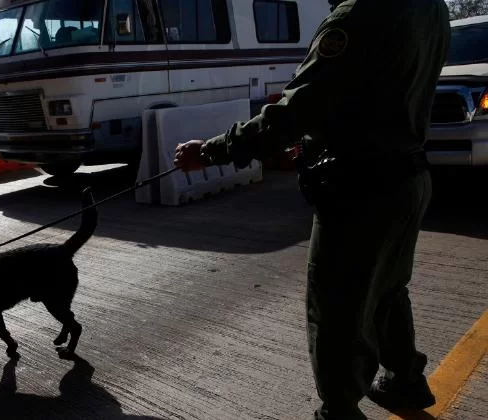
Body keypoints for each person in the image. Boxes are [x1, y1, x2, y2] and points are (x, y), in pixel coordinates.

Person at [173, 0, 451, 419]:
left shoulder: (358, 16)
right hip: (407, 178)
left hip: (360, 189)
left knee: (338, 307)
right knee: (388, 290)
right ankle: (405, 382)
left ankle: (339, 411)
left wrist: (211, 151)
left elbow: (296, 110)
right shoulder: (430, 7)